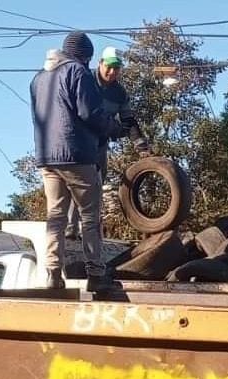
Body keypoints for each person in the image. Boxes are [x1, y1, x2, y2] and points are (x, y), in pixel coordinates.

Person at [30, 31, 123, 295]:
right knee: (90, 217)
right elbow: (88, 112)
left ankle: (53, 274)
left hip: (47, 157)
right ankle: (96, 274)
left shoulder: (38, 78)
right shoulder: (78, 72)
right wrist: (113, 128)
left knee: (55, 217)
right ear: (84, 56)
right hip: (77, 154)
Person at [66, 45, 151, 240]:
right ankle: (70, 228)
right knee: (77, 185)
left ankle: (91, 232)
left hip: (100, 145)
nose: (112, 72)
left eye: (117, 68)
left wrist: (141, 146)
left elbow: (128, 120)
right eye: (109, 67)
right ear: (100, 64)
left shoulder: (119, 93)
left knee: (96, 187)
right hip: (80, 143)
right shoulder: (86, 80)